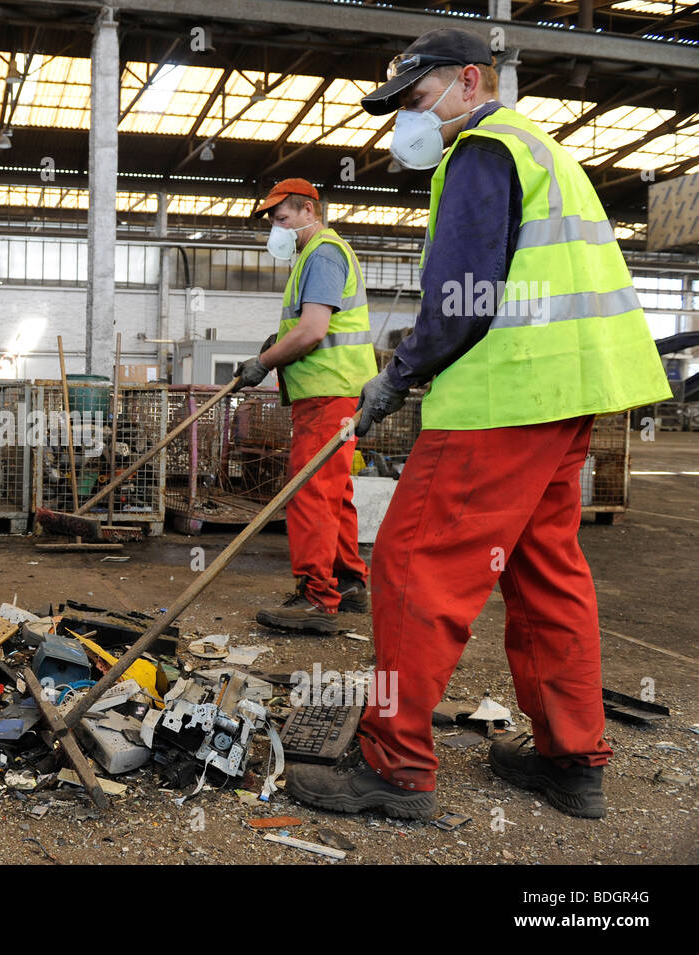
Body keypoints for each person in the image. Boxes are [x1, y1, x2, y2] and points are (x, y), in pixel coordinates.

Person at [287, 28, 672, 821]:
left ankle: (393, 765)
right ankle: (573, 760)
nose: (407, 123)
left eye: (416, 101)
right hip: (569, 397)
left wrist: (398, 373)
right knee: (546, 572)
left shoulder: (483, 151)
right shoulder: (545, 152)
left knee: (412, 566)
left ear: (469, 81)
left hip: (504, 398)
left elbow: (463, 295)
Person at [235, 179, 378, 636]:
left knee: (312, 491)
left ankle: (318, 597)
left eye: (281, 219)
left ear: (308, 211)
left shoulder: (323, 254)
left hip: (328, 393)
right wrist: (279, 342)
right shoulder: (315, 256)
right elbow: (312, 327)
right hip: (332, 393)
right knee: (334, 492)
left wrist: (264, 361)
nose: (275, 230)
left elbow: (314, 331)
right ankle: (350, 581)